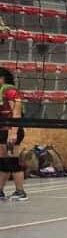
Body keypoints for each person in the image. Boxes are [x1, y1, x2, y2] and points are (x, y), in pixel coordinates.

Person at [0, 66, 23, 200]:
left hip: (11, 130)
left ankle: (20, 192)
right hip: (2, 130)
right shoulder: (1, 91)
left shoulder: (10, 90)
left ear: (2, 78)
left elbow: (16, 112)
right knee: (3, 162)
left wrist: (13, 132)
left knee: (13, 161)